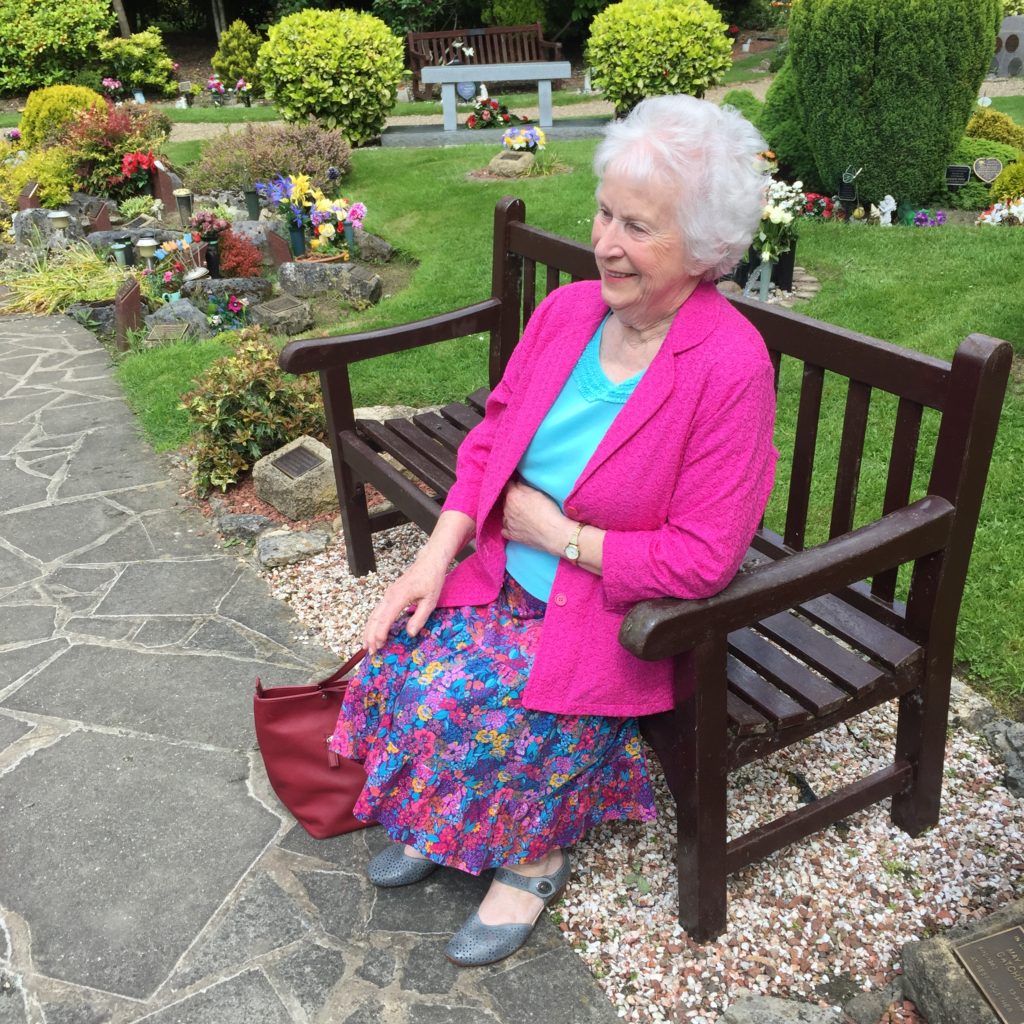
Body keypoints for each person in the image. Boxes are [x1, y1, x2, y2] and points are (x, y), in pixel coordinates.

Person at [329, 94, 778, 967]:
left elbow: (704, 559)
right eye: (604, 213)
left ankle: (532, 860)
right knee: (397, 663)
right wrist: (431, 559)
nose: (605, 242)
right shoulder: (568, 313)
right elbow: (492, 437)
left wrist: (562, 535)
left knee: (462, 708)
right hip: (500, 576)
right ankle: (442, 816)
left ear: (704, 250)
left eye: (637, 227)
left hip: (607, 616)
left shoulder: (729, 367)